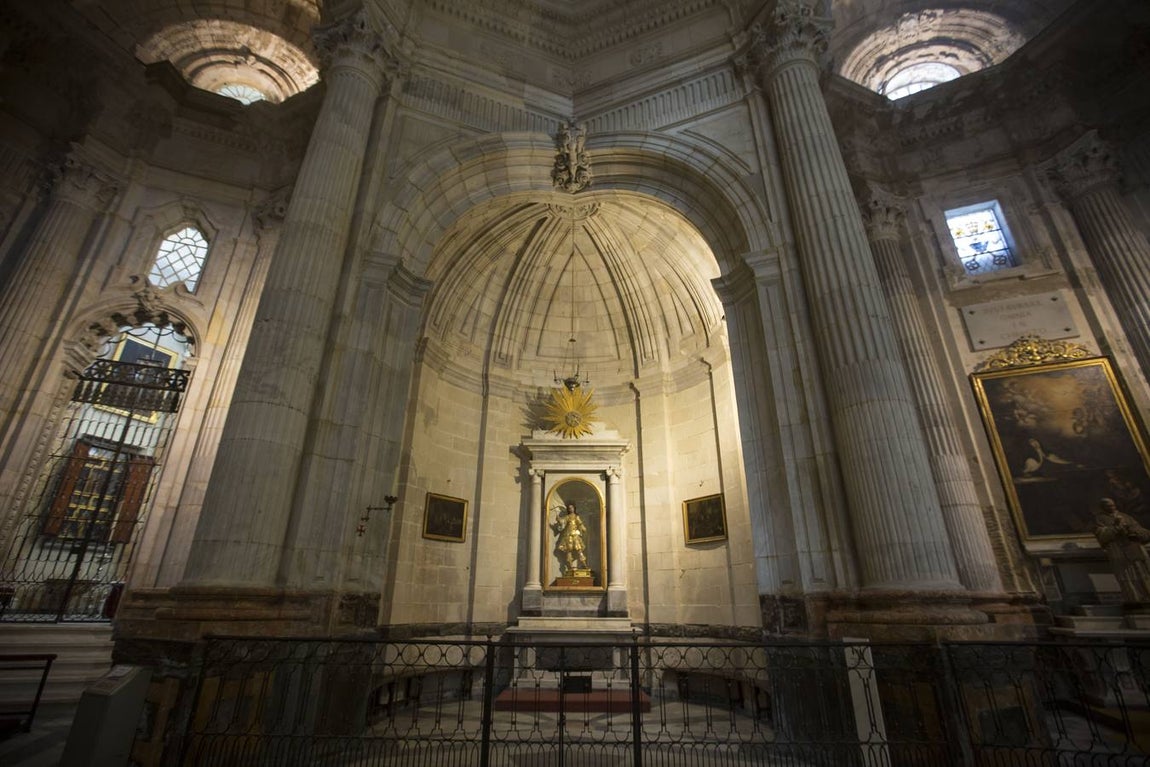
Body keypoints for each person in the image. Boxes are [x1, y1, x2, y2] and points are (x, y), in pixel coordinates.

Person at [1093, 497, 1150, 606]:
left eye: (1113, 505)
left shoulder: (1126, 516)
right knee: (1127, 577)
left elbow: (1143, 531)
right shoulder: (1100, 519)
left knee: (1144, 574)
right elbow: (1102, 536)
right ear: (1103, 507)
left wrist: (1136, 533)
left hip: (1134, 548)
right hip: (1118, 551)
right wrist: (1116, 527)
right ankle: (1135, 601)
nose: (1112, 507)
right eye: (1108, 506)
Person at [554, 502, 589, 574]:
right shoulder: (567, 517)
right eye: (569, 508)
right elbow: (562, 522)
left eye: (572, 508)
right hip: (568, 536)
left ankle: (584, 565)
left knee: (579, 550)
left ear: (574, 508)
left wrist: (583, 528)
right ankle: (570, 567)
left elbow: (580, 523)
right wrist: (558, 518)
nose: (571, 509)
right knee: (568, 551)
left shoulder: (576, 516)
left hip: (575, 535)